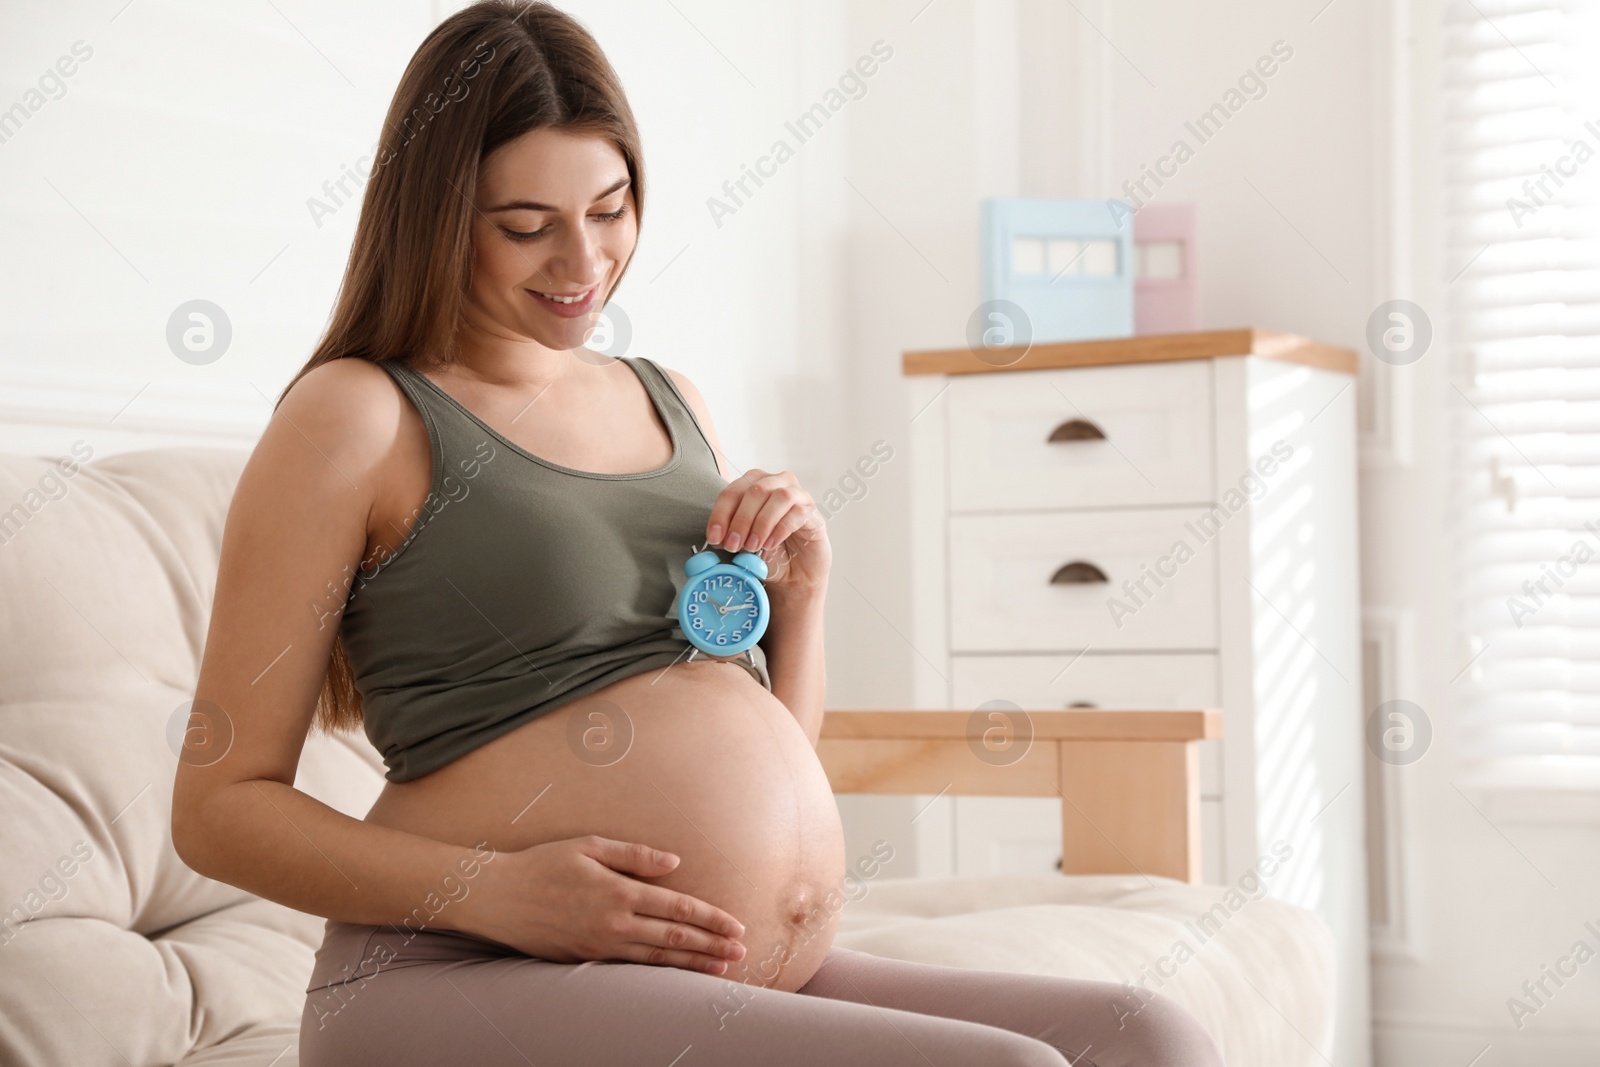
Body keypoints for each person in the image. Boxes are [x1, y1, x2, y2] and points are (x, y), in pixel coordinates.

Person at [170, 3, 1226, 1063]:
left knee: (1150, 1036)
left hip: (699, 970)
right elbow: (218, 806)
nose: (581, 262)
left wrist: (801, 599)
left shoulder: (670, 399)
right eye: (525, 226)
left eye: (611, 207)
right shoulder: (354, 416)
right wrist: (498, 890)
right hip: (460, 973)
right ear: (437, 217)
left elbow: (767, 738)